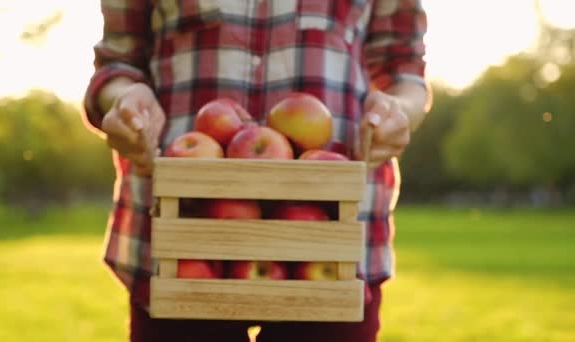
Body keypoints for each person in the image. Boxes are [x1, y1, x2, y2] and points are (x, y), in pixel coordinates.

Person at [82, 0, 430, 341]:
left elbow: (404, 70)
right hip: (180, 241)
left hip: (331, 244)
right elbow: (118, 63)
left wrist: (397, 111)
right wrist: (124, 101)